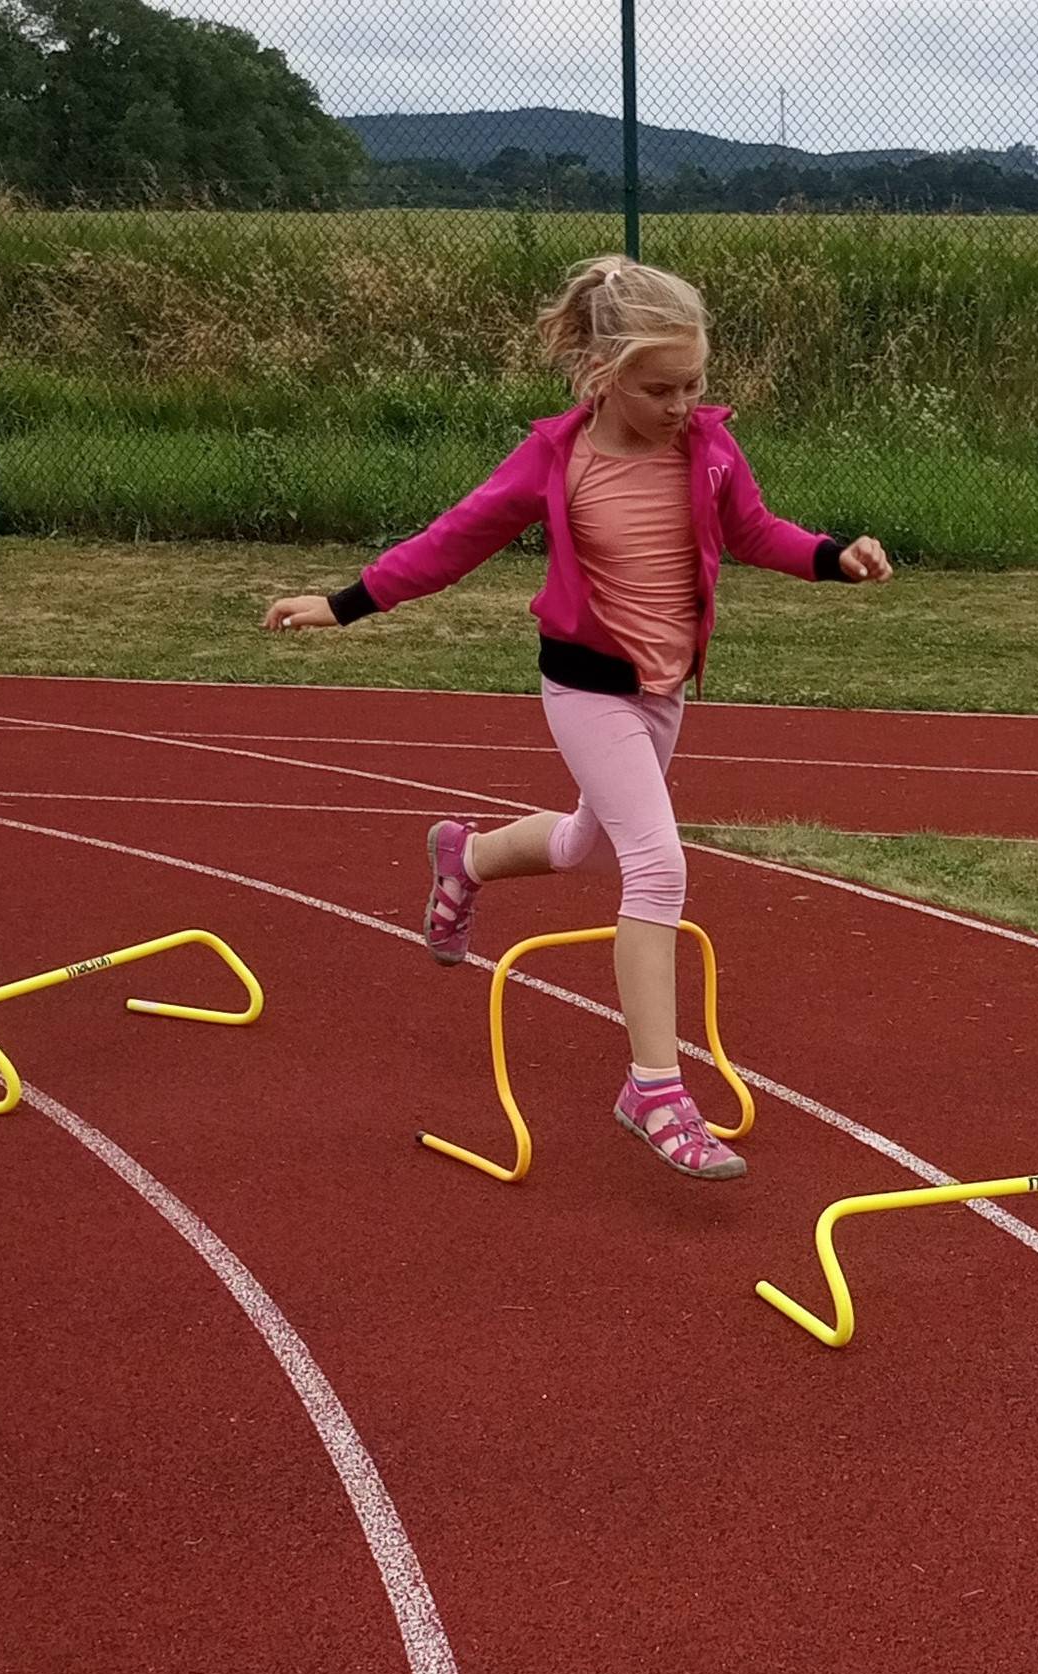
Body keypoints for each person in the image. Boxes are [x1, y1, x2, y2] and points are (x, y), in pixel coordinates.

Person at [264, 255, 891, 1179]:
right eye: (659, 389)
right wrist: (344, 602)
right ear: (602, 374)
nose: (682, 404)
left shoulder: (709, 449)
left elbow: (753, 529)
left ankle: (465, 857)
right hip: (586, 688)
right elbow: (454, 540)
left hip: (663, 691)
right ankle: (653, 1088)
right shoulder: (557, 461)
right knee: (657, 864)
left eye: (694, 384)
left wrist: (832, 556)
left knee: (585, 847)